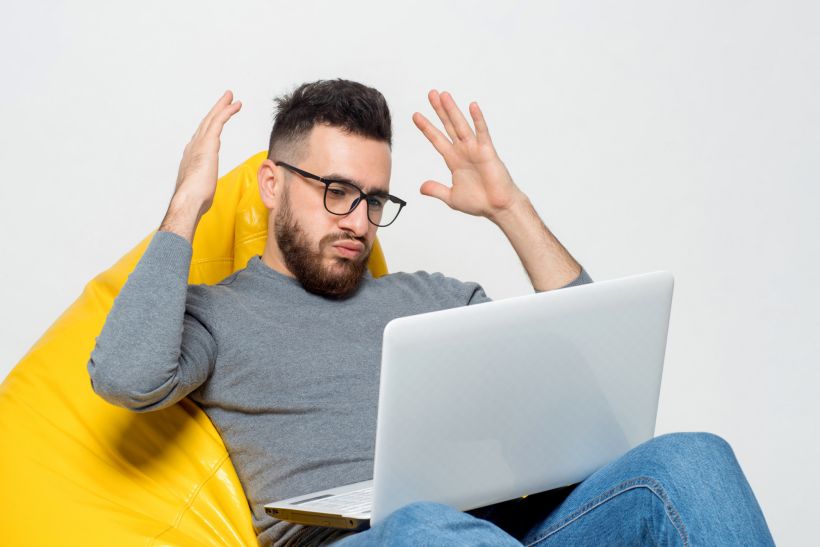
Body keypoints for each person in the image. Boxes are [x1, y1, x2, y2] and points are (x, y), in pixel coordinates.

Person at [87, 79, 774, 546]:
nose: (358, 221)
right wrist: (186, 206)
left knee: (691, 459)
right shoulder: (219, 313)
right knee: (422, 524)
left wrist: (510, 209)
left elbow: (593, 378)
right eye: (336, 191)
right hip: (373, 540)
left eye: (374, 200)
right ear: (272, 183)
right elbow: (123, 375)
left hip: (501, 531)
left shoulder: (436, 298)